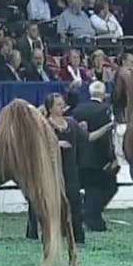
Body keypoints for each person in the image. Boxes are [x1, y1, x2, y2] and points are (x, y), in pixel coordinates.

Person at [28, 93, 85, 245]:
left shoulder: (71, 123)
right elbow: (36, 146)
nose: (62, 107)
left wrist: (107, 127)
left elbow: (87, 137)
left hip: (70, 170)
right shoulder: (43, 125)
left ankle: (76, 236)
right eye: (58, 104)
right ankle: (49, 236)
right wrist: (56, 144)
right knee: (50, 204)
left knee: (74, 202)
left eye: (62, 104)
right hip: (51, 170)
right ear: (50, 108)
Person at [71, 81, 117, 231]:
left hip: (79, 158)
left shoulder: (77, 109)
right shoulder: (105, 110)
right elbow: (105, 139)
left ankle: (89, 215)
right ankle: (90, 216)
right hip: (98, 159)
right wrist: (110, 158)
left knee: (91, 190)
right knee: (107, 187)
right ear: (104, 95)